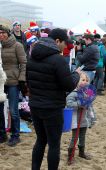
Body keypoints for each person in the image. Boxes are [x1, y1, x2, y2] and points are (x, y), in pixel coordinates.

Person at [26, 28, 80, 170]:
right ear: (57, 41)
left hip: (35, 105)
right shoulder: (58, 60)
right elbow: (68, 85)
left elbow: (28, 82)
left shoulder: (31, 57)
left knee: (40, 140)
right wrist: (77, 75)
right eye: (64, 43)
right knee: (54, 144)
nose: (65, 47)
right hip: (52, 107)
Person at [0, 25, 27, 146]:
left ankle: (15, 135)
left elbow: (23, 64)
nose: (1, 35)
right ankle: (2, 134)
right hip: (1, 82)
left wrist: (21, 79)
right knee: (0, 110)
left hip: (13, 82)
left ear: (8, 33)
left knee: (13, 110)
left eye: (3, 32)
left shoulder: (17, 45)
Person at [67, 72, 92, 164]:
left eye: (86, 80)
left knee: (82, 136)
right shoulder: (74, 93)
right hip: (76, 120)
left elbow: (90, 105)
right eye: (82, 80)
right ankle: (70, 155)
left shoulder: (87, 92)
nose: (84, 82)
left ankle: (81, 152)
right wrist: (79, 104)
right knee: (75, 137)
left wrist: (87, 103)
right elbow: (69, 104)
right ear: (77, 81)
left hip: (84, 119)